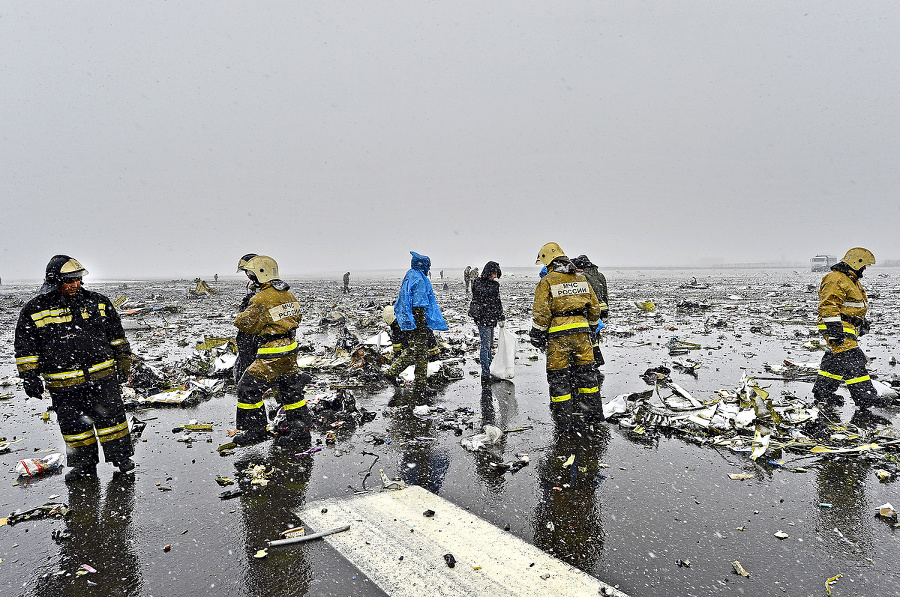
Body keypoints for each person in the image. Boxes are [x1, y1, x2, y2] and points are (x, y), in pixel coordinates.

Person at [15, 255, 135, 481]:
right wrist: (29, 377)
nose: (74, 285)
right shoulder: (35, 309)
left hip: (102, 377)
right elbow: (26, 348)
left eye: (77, 279)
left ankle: (122, 459)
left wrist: (123, 361)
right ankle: (84, 466)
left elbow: (117, 337)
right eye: (68, 280)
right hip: (63, 383)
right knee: (74, 427)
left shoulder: (98, 302)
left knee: (113, 422)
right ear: (54, 280)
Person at [232, 255, 312, 445]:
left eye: (251, 274)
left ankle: (255, 431)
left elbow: (245, 324)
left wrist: (242, 314)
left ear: (259, 273)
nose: (250, 278)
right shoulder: (288, 293)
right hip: (290, 350)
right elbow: (297, 317)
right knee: (290, 389)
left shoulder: (261, 299)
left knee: (248, 388)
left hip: (271, 353)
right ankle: (300, 430)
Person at [530, 242, 604, 428]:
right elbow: (594, 307)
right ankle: (593, 415)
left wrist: (537, 334)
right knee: (587, 375)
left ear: (548, 261)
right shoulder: (581, 279)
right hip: (582, 335)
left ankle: (564, 420)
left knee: (559, 377)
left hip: (558, 336)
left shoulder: (547, 281)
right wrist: (592, 329)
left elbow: (542, 312)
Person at [812, 247, 887, 427]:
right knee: (853, 360)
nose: (865, 269)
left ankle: (824, 394)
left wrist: (861, 321)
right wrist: (835, 330)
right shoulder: (836, 279)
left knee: (835, 360)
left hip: (846, 326)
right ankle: (866, 398)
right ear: (856, 263)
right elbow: (828, 305)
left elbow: (852, 305)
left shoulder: (850, 280)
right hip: (837, 326)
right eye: (864, 265)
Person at [384, 251, 448, 402]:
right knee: (417, 351)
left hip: (411, 319)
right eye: (428, 265)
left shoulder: (411, 275)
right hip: (417, 319)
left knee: (420, 352)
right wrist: (422, 321)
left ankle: (420, 386)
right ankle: (394, 373)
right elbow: (418, 303)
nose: (429, 268)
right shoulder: (419, 279)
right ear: (423, 265)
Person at [469, 261, 505, 382]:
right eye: (493, 273)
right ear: (489, 272)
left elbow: (496, 301)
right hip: (483, 317)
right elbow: (492, 301)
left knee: (489, 345)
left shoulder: (481, 283)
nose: (495, 276)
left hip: (488, 318)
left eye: (496, 274)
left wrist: (500, 317)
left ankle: (489, 370)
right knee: (486, 345)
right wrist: (500, 316)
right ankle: (486, 373)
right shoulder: (483, 284)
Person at [570, 255, 609, 368]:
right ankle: (596, 359)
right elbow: (605, 292)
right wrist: (606, 309)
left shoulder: (583, 276)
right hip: (602, 307)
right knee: (595, 333)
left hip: (592, 307)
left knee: (590, 334)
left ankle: (594, 360)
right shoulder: (600, 275)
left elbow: (587, 295)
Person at [234, 253, 261, 385]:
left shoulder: (267, 289)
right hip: (249, 336)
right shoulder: (254, 286)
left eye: (248, 272)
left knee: (249, 377)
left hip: (256, 337)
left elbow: (246, 317)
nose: (248, 276)